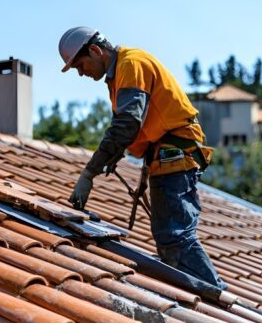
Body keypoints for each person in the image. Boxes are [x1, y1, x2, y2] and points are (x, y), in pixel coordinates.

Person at [59, 26, 226, 289]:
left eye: (80, 65)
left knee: (175, 237)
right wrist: (113, 155)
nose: (81, 73)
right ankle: (202, 294)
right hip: (167, 155)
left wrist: (89, 173)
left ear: (94, 50)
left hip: (175, 154)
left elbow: (127, 123)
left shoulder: (131, 64)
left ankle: (213, 298)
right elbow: (128, 126)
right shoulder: (119, 73)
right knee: (170, 238)